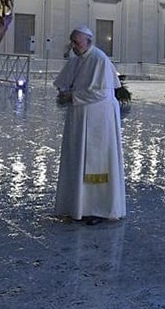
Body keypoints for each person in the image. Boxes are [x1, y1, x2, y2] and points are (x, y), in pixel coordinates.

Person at [52, 26, 126, 225]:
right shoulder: (77, 59)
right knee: (77, 160)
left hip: (98, 121)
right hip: (79, 118)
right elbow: (64, 82)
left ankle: (98, 209)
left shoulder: (99, 59)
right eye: (72, 41)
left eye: (77, 42)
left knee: (96, 163)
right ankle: (78, 206)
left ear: (88, 41)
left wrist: (72, 96)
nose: (73, 46)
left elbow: (101, 93)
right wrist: (64, 92)